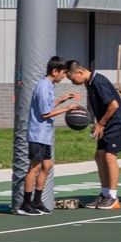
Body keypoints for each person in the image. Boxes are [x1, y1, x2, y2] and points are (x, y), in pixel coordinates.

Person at [65, 60, 121, 211]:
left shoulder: (98, 81)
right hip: (106, 123)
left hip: (116, 123)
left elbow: (114, 105)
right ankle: (105, 194)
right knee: (99, 156)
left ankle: (113, 197)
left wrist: (101, 123)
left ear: (80, 72)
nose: (73, 83)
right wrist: (98, 123)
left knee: (109, 157)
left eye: (72, 79)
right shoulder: (89, 82)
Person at [19, 55, 75, 215]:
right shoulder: (43, 86)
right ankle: (26, 204)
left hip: (45, 134)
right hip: (38, 134)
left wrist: (61, 100)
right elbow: (44, 113)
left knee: (47, 166)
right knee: (34, 167)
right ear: (55, 71)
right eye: (63, 72)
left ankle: (37, 201)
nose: (64, 76)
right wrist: (67, 109)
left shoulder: (49, 86)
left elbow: (47, 105)